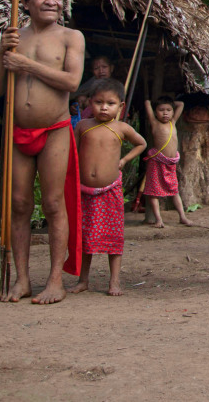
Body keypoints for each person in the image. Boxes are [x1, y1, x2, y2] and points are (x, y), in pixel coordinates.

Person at [0, 0, 86, 304]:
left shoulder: (72, 37)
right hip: (16, 130)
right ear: (26, 2)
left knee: (53, 203)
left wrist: (26, 65)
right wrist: (4, 55)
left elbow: (71, 82)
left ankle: (55, 280)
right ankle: (22, 279)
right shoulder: (13, 37)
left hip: (54, 128)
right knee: (18, 204)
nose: (51, 2)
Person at [70, 79, 146, 296]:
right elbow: (73, 153)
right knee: (85, 237)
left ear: (121, 107)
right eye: (99, 102)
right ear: (89, 103)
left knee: (113, 237)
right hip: (85, 191)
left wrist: (124, 160)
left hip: (110, 191)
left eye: (110, 103)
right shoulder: (82, 126)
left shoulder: (121, 128)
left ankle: (114, 281)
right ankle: (83, 280)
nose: (104, 107)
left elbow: (141, 143)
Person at [142, 96, 192, 227]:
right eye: (161, 110)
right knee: (154, 192)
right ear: (155, 112)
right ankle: (159, 219)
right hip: (157, 162)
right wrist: (156, 103)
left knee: (174, 191)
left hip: (171, 163)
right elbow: (147, 102)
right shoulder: (154, 123)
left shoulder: (173, 122)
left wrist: (169, 102)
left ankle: (182, 217)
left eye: (169, 110)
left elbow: (180, 103)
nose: (165, 113)